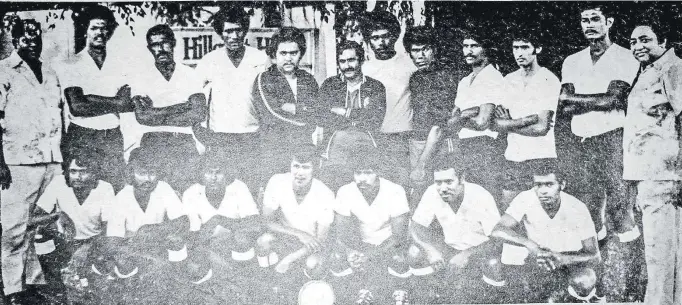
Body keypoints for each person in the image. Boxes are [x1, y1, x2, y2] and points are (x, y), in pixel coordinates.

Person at [557, 4, 640, 243]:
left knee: (620, 207)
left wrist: (579, 99)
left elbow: (612, 99)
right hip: (581, 141)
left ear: (609, 22)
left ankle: (633, 272)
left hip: (612, 138)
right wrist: (597, 99)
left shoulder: (625, 56)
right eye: (585, 20)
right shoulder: (572, 61)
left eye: (595, 19)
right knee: (588, 207)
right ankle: (597, 271)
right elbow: (564, 105)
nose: (590, 25)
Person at [0, 18, 64, 305]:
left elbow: (58, 115)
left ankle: (33, 282)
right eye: (26, 38)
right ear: (14, 41)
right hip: (18, 161)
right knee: (14, 228)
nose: (32, 42)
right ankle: (13, 289)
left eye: (36, 36)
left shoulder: (50, 72)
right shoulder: (4, 71)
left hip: (50, 159)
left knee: (38, 224)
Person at [624, 17, 682, 305]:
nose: (637, 46)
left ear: (664, 42)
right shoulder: (648, 72)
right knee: (660, 250)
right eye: (633, 41)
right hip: (649, 175)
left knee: (661, 251)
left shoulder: (673, 68)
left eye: (645, 39)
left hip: (666, 175)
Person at [491, 163, 602, 303]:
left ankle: (584, 299)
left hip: (570, 259)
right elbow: (497, 230)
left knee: (584, 279)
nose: (542, 190)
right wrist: (531, 245)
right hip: (540, 258)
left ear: (562, 184)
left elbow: (594, 256)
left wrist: (562, 259)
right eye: (538, 185)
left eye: (549, 185)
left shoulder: (577, 207)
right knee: (526, 292)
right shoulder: (526, 198)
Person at [97, 147, 191, 304]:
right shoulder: (122, 198)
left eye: (152, 172)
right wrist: (137, 243)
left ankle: (177, 285)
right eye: (141, 173)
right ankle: (130, 291)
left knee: (176, 241)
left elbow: (183, 221)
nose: (148, 179)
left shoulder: (163, 188)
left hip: (157, 242)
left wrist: (153, 229)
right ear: (130, 174)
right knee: (126, 263)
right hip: (132, 248)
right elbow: (113, 240)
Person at [194, 8, 270, 196]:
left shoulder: (260, 59)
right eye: (228, 31)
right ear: (220, 33)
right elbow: (196, 98)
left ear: (244, 31)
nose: (234, 36)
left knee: (249, 189)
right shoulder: (209, 60)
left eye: (238, 30)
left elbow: (269, 98)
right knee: (222, 189)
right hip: (220, 138)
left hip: (251, 136)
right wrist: (201, 131)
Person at [409, 154, 505, 303]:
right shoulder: (432, 192)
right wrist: (430, 250)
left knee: (494, 265)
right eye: (438, 182)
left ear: (462, 179)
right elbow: (415, 226)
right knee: (415, 252)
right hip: (449, 249)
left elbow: (498, 239)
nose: (443, 188)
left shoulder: (481, 196)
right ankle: (426, 298)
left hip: (479, 252)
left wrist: (467, 254)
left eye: (449, 182)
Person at [60, 5, 133, 192]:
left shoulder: (119, 64)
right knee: (83, 192)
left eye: (104, 28)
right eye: (94, 28)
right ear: (85, 31)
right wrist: (113, 102)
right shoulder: (72, 63)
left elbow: (126, 103)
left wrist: (90, 98)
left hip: (112, 137)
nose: (100, 33)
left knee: (114, 190)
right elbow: (77, 106)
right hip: (82, 136)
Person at [330, 146, 411, 305]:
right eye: (357, 173)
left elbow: (399, 238)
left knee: (398, 257)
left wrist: (369, 256)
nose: (362, 178)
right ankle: (360, 292)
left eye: (368, 172)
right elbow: (341, 234)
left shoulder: (394, 191)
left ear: (378, 172)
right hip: (362, 244)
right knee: (338, 257)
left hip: (390, 244)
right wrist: (351, 252)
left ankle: (400, 291)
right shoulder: (345, 191)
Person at [132, 24, 207, 194]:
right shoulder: (142, 76)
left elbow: (199, 113)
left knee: (188, 192)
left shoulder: (189, 74)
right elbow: (143, 117)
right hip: (153, 142)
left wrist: (156, 111)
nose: (160, 49)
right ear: (149, 48)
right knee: (156, 194)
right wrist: (183, 106)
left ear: (173, 43)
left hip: (184, 141)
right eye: (155, 45)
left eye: (164, 43)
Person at [493, 30, 560, 208]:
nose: (519, 53)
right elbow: (496, 123)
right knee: (509, 213)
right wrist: (524, 121)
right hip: (513, 157)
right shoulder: (508, 80)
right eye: (515, 48)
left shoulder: (548, 79)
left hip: (541, 157)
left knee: (541, 214)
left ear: (537, 48)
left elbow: (541, 128)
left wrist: (509, 124)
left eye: (525, 47)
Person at [251, 27, 323, 185]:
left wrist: (290, 107)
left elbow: (318, 112)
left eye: (293, 53)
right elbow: (271, 115)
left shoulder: (308, 80)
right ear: (274, 55)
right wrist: (303, 117)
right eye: (283, 53)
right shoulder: (265, 79)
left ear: (300, 54)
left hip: (303, 151)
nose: (289, 58)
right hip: (273, 150)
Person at [34, 150, 115, 287]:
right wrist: (58, 215)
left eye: (84, 172)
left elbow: (110, 228)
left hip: (94, 242)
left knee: (89, 283)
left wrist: (88, 248)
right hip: (64, 242)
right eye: (73, 171)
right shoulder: (59, 183)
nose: (78, 177)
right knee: (41, 238)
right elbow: (35, 218)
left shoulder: (104, 188)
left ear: (94, 173)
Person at [256, 145, 335, 279]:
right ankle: (264, 278)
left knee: (313, 263)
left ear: (314, 169)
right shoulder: (277, 181)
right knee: (263, 241)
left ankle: (305, 287)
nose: (299, 173)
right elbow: (267, 221)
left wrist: (289, 259)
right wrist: (299, 234)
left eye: (306, 167)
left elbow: (320, 239)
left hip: (310, 245)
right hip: (285, 236)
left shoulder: (325, 194)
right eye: (296, 166)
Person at [318, 40, 386, 192]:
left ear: (361, 60)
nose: (347, 66)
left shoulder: (375, 87)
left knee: (365, 189)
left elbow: (374, 120)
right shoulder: (330, 85)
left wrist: (343, 112)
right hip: (336, 147)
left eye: (351, 60)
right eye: (342, 61)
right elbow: (322, 115)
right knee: (334, 189)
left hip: (366, 144)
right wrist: (358, 115)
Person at [404, 26, 464, 194]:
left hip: (441, 144)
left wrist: (421, 164)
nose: (420, 56)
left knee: (443, 194)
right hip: (419, 143)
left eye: (426, 49)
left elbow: (439, 125)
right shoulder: (416, 78)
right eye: (415, 50)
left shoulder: (445, 75)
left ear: (435, 49)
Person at [361, 10, 417, 187]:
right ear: (369, 40)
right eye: (375, 38)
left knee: (402, 186)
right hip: (374, 137)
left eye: (385, 36)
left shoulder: (410, 65)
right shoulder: (365, 69)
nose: (381, 42)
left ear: (394, 36)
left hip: (402, 137)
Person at [451, 29, 507, 205]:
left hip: (485, 148)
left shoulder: (492, 77)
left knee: (486, 201)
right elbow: (452, 120)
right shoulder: (465, 81)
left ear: (487, 49)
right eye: (465, 46)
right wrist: (468, 113)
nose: (468, 51)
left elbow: (482, 122)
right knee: (468, 201)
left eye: (474, 46)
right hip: (464, 146)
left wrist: (461, 117)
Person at [182, 149, 261, 264]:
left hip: (235, 244)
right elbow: (193, 234)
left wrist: (219, 220)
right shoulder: (191, 193)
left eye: (218, 172)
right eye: (209, 172)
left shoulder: (239, 187)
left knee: (242, 238)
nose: (213, 177)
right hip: (207, 247)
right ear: (201, 173)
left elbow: (254, 222)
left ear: (227, 174)